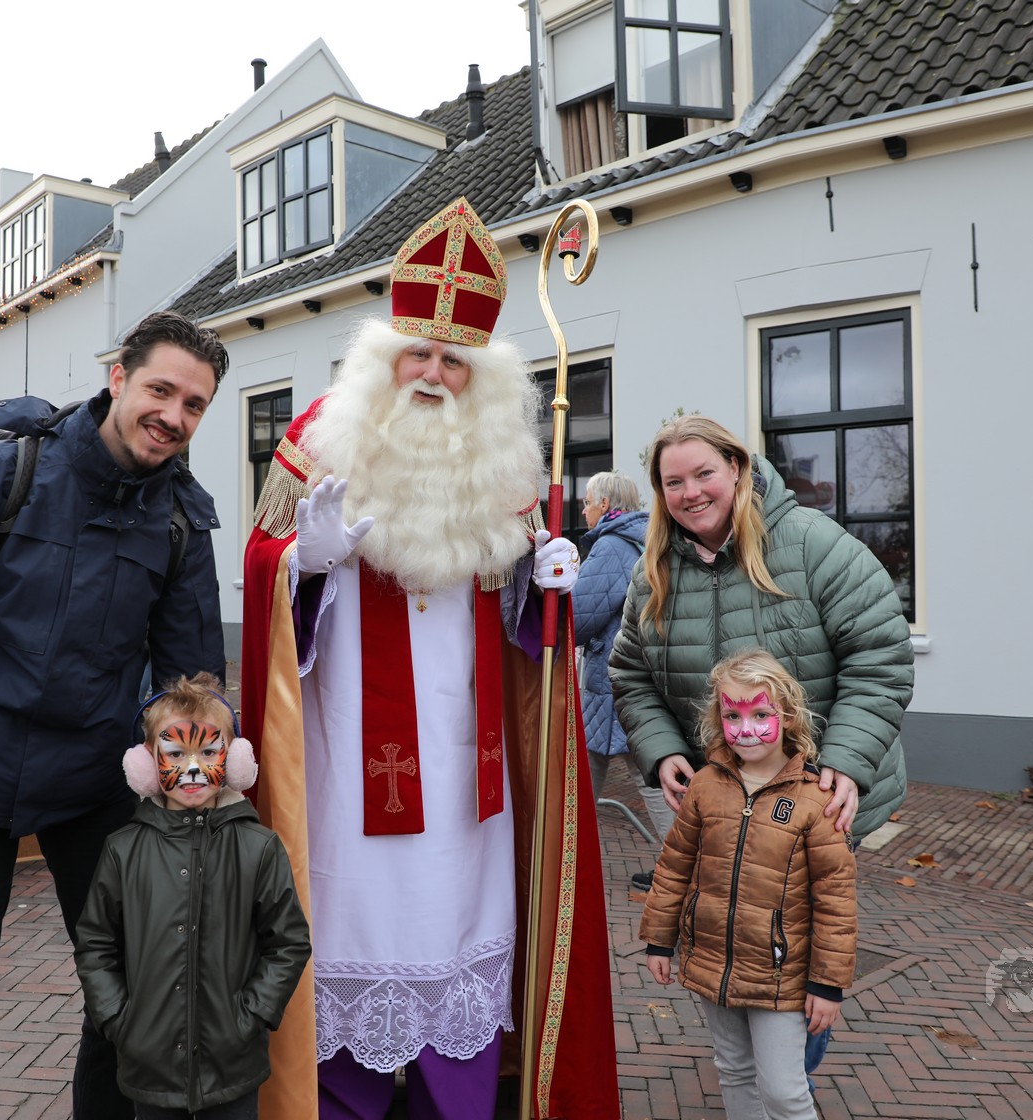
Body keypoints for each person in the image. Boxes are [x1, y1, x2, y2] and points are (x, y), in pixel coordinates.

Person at [241, 197, 618, 1120]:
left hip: (467, 777)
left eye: (456, 361)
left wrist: (544, 581)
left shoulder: (505, 461)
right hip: (340, 764)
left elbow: (528, 640)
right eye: (420, 353)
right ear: (386, 355)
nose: (435, 374)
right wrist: (303, 564)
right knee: (347, 938)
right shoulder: (318, 440)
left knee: (463, 951)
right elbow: (260, 576)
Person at [0, 308, 229, 1120]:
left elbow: (191, 689)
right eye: (160, 390)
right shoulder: (6, 474)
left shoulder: (181, 518)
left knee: (132, 1004)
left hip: (93, 783)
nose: (173, 416)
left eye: (194, 404)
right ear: (118, 379)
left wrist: (194, 821)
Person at [607, 414, 912, 1088]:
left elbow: (880, 657)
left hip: (817, 793)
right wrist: (662, 750)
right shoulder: (653, 571)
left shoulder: (811, 544)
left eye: (704, 474)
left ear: (737, 469)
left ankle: (788, 1072)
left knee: (800, 929)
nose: (690, 493)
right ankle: (763, 1066)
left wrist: (846, 762)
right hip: (724, 797)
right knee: (740, 923)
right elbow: (629, 673)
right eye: (673, 482)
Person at [75, 673, 311, 1120]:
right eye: (175, 752)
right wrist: (119, 1021)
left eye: (208, 751)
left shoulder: (259, 848)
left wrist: (250, 1017)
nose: (193, 769)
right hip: (149, 1066)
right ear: (146, 764)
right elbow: (96, 944)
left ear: (235, 760)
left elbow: (288, 943)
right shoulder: (123, 851)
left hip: (233, 1063)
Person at [639, 648, 856, 1120]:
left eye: (761, 714)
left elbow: (836, 901)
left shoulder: (816, 800)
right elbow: (675, 865)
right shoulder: (705, 786)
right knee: (734, 1071)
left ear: (788, 715)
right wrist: (660, 939)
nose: (746, 728)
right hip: (713, 962)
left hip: (781, 976)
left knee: (784, 1092)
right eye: (733, 715)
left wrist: (827, 983)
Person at [568, 470, 673, 889]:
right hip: (641, 673)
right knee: (642, 770)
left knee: (601, 773)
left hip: (610, 679)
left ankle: (566, 862)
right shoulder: (649, 538)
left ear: (606, 505)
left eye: (587, 501)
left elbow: (578, 616)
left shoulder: (611, 546)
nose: (583, 509)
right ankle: (678, 865)